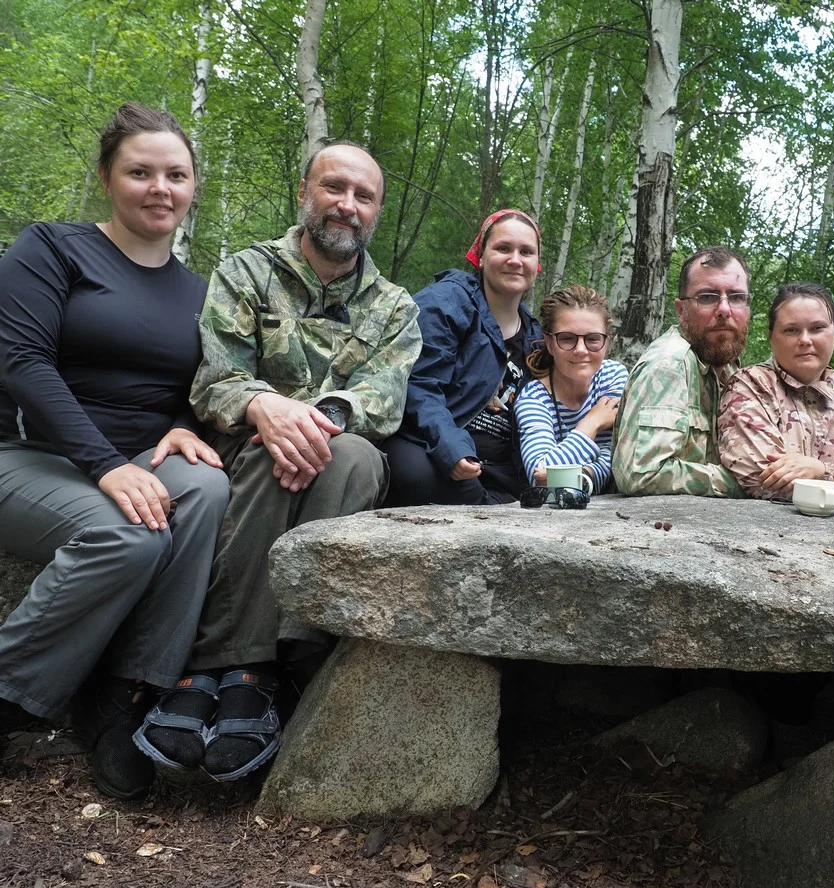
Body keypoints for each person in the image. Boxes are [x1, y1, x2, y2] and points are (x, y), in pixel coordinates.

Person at [133, 141, 421, 782]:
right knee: (271, 453)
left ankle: (284, 658)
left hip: (335, 446)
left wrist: (319, 420)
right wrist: (266, 408)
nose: (347, 205)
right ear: (304, 193)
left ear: (375, 212)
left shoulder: (396, 306)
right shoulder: (247, 272)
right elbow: (214, 380)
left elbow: (386, 395)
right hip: (244, 444)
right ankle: (233, 665)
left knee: (351, 457)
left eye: (363, 196)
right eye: (334, 188)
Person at [0, 103, 229, 799]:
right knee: (130, 539)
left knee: (208, 489)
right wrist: (107, 464)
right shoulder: (54, 249)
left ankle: (118, 696)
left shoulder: (200, 292)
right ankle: (11, 694)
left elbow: (204, 385)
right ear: (107, 178)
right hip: (28, 454)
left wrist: (190, 425)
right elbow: (20, 362)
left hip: (131, 462)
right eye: (140, 172)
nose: (160, 188)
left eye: (176, 174)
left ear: (193, 187)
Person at [382, 210, 543, 505]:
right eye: (503, 248)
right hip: (429, 444)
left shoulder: (536, 336)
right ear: (480, 257)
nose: (515, 260)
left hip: (500, 466)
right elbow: (419, 386)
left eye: (526, 252)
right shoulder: (444, 303)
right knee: (418, 474)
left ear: (537, 265)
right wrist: (452, 448)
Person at [717, 282, 834, 515]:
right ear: (771, 336)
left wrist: (819, 470)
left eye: (817, 328)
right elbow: (763, 480)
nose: (805, 340)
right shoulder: (751, 386)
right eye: (791, 330)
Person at [612, 246, 749, 497]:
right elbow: (640, 474)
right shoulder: (669, 365)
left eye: (737, 297)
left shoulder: (724, 364)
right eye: (707, 297)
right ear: (680, 309)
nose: (724, 309)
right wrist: (742, 482)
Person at [514, 285, 628, 492]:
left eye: (593, 339)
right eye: (567, 338)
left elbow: (617, 453)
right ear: (549, 343)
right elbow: (539, 475)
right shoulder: (533, 399)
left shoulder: (614, 376)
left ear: (607, 342)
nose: (581, 350)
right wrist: (591, 424)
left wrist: (587, 475)